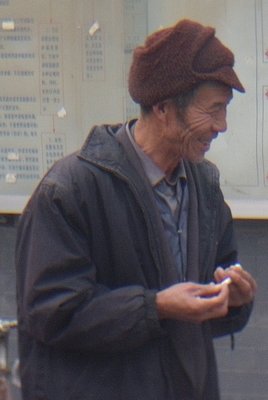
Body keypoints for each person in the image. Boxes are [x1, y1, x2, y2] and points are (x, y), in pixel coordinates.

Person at [15, 19, 257, 400]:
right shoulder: (69, 191)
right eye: (212, 111)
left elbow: (211, 285)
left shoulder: (205, 188)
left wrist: (231, 299)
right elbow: (51, 312)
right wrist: (156, 306)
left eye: (224, 110)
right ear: (163, 108)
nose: (221, 126)